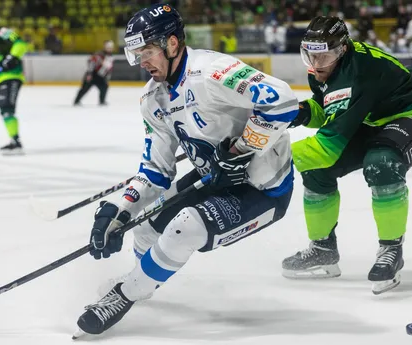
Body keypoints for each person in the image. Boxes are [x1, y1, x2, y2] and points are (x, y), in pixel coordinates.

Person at [72, 3, 299, 338]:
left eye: (146, 52)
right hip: (215, 178)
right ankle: (142, 282)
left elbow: (281, 102)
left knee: (185, 227)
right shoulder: (153, 99)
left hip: (264, 187)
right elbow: (156, 170)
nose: (142, 63)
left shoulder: (211, 71)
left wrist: (239, 151)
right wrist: (119, 210)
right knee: (146, 224)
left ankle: (123, 295)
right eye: (136, 55)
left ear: (172, 44)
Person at [281, 16, 412, 295]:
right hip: (374, 118)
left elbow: (327, 148)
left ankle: (392, 249)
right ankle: (323, 249)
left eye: (325, 56)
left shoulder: (358, 71)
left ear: (342, 49)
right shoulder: (325, 67)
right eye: (310, 55)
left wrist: (269, 156)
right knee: (317, 171)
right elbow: (328, 109)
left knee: (381, 163)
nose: (316, 65)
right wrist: (300, 112)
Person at [0, 15, 28, 154]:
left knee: (6, 109)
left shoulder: (1, 32)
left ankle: (16, 143)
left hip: (10, 76)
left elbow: (20, 43)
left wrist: (12, 58)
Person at [73, 40, 114, 106]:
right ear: (105, 47)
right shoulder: (99, 54)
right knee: (84, 88)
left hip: (101, 76)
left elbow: (109, 67)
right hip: (93, 74)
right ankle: (76, 101)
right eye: (108, 47)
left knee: (104, 87)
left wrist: (107, 75)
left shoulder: (110, 56)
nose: (110, 49)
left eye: (111, 47)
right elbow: (91, 63)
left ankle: (102, 101)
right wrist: (89, 74)